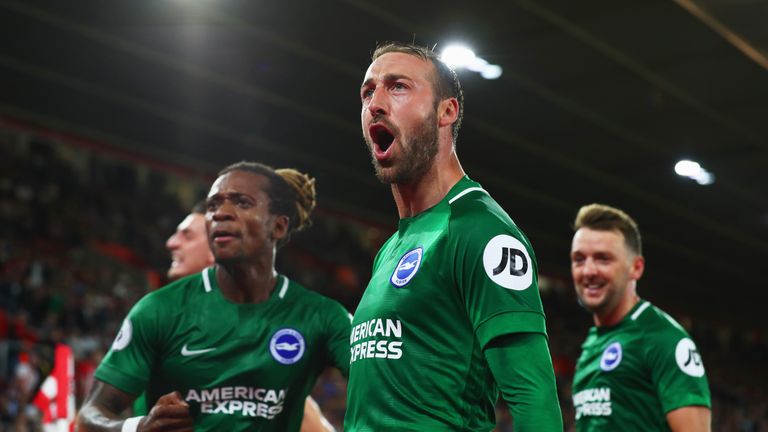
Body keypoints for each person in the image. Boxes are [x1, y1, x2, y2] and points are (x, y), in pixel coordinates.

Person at [344, 41, 562, 431]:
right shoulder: (390, 249)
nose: (375, 103)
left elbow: (534, 400)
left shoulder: (482, 230)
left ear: (446, 111)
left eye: (397, 87)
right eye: (367, 91)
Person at [77, 162, 351, 431]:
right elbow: (90, 416)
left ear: (278, 227)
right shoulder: (159, 310)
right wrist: (138, 428)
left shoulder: (322, 317)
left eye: (242, 202)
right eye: (212, 205)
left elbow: (385, 382)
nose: (221, 213)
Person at [133, 200, 336, 431]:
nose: (171, 243)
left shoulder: (250, 339)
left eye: (187, 236)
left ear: (216, 250)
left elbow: (302, 415)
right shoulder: (158, 316)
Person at [569, 203, 711, 431]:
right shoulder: (593, 342)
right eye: (579, 259)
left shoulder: (664, 339)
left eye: (603, 259)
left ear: (636, 267)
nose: (588, 270)